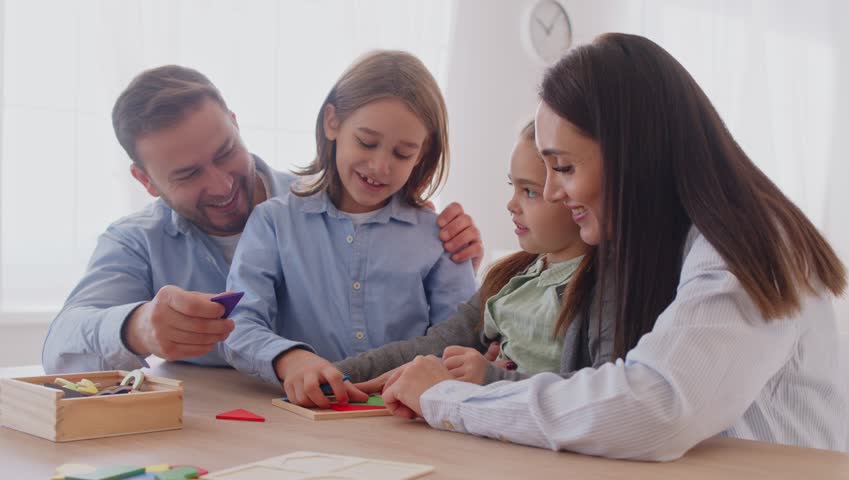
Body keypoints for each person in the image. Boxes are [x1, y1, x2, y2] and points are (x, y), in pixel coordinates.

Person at [380, 33, 848, 461]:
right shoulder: (649, 251)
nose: (554, 194)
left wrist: (448, 398)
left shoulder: (753, 241)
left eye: (562, 167)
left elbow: (655, 407)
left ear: (631, 154)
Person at [42, 65, 483, 374]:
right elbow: (60, 345)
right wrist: (136, 327)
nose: (220, 185)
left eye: (224, 152)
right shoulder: (136, 242)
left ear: (235, 124)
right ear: (146, 181)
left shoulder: (339, 202)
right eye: (188, 174)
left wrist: (454, 255)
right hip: (221, 426)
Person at [222, 51, 477, 405]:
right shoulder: (274, 223)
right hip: (304, 416)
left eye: (402, 154)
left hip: (408, 417)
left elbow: (462, 339)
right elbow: (237, 325)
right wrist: (290, 360)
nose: (380, 166)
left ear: (422, 153)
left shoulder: (439, 237)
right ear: (332, 122)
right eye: (367, 142)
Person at [331, 121, 608, 396]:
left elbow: (602, 392)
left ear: (574, 194)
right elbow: (436, 345)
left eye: (530, 192)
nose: (511, 205)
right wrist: (335, 373)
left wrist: (490, 379)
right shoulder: (509, 278)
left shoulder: (601, 289)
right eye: (513, 186)